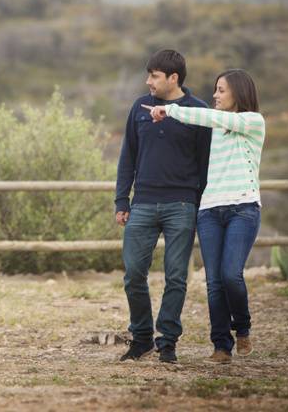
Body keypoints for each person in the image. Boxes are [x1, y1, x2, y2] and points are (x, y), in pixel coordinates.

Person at [143, 68, 265, 364]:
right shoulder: (214, 126)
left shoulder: (252, 121)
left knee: (231, 275)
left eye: (221, 90)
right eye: (215, 90)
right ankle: (221, 346)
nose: (215, 95)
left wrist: (170, 109)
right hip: (210, 210)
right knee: (214, 283)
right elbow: (203, 126)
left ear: (239, 91)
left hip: (243, 208)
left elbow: (210, 116)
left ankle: (243, 327)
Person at [116, 50, 212, 364]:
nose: (148, 81)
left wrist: (199, 205)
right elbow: (127, 156)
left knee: (175, 277)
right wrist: (122, 200)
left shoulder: (198, 111)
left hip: (181, 205)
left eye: (155, 76)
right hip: (142, 203)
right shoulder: (139, 108)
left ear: (174, 78)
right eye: (149, 75)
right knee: (133, 274)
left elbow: (204, 163)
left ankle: (167, 341)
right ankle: (142, 338)